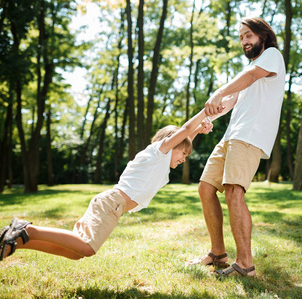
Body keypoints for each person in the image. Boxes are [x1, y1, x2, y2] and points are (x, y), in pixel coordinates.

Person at [0, 109, 213, 261]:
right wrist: (205, 112)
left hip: (111, 204)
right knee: (87, 248)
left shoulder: (160, 161)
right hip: (112, 203)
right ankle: (28, 230)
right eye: (183, 153)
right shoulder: (158, 152)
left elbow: (185, 137)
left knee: (75, 252)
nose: (184, 158)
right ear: (171, 142)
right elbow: (184, 130)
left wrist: (199, 132)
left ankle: (16, 242)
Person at [186, 17, 286, 277]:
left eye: (248, 35)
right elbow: (228, 102)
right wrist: (205, 120)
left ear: (263, 36)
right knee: (206, 188)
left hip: (250, 136)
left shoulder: (272, 55)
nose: (244, 41)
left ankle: (245, 264)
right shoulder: (251, 69)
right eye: (241, 37)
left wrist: (218, 92)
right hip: (231, 135)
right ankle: (218, 253)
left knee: (233, 192)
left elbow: (248, 77)